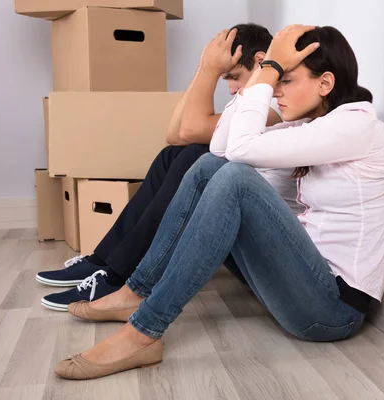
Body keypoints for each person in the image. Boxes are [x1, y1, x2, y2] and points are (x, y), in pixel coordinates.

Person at [53, 24, 384, 380]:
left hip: (332, 309)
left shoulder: (356, 127)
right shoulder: (307, 126)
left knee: (236, 179)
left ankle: (144, 331)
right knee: (211, 166)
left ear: (325, 84)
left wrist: (269, 68)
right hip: (296, 285)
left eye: (285, 81)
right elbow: (221, 148)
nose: (275, 92)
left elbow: (241, 152)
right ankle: (136, 291)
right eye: (276, 81)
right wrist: (265, 70)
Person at [36, 24, 301, 311]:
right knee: (171, 155)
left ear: (261, 62)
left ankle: (117, 276)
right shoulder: (250, 102)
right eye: (226, 78)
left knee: (196, 155)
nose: (232, 88)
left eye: (234, 77)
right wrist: (203, 68)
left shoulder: (276, 107)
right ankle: (102, 262)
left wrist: (211, 71)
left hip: (263, 242)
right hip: (237, 225)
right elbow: (174, 135)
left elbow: (188, 131)